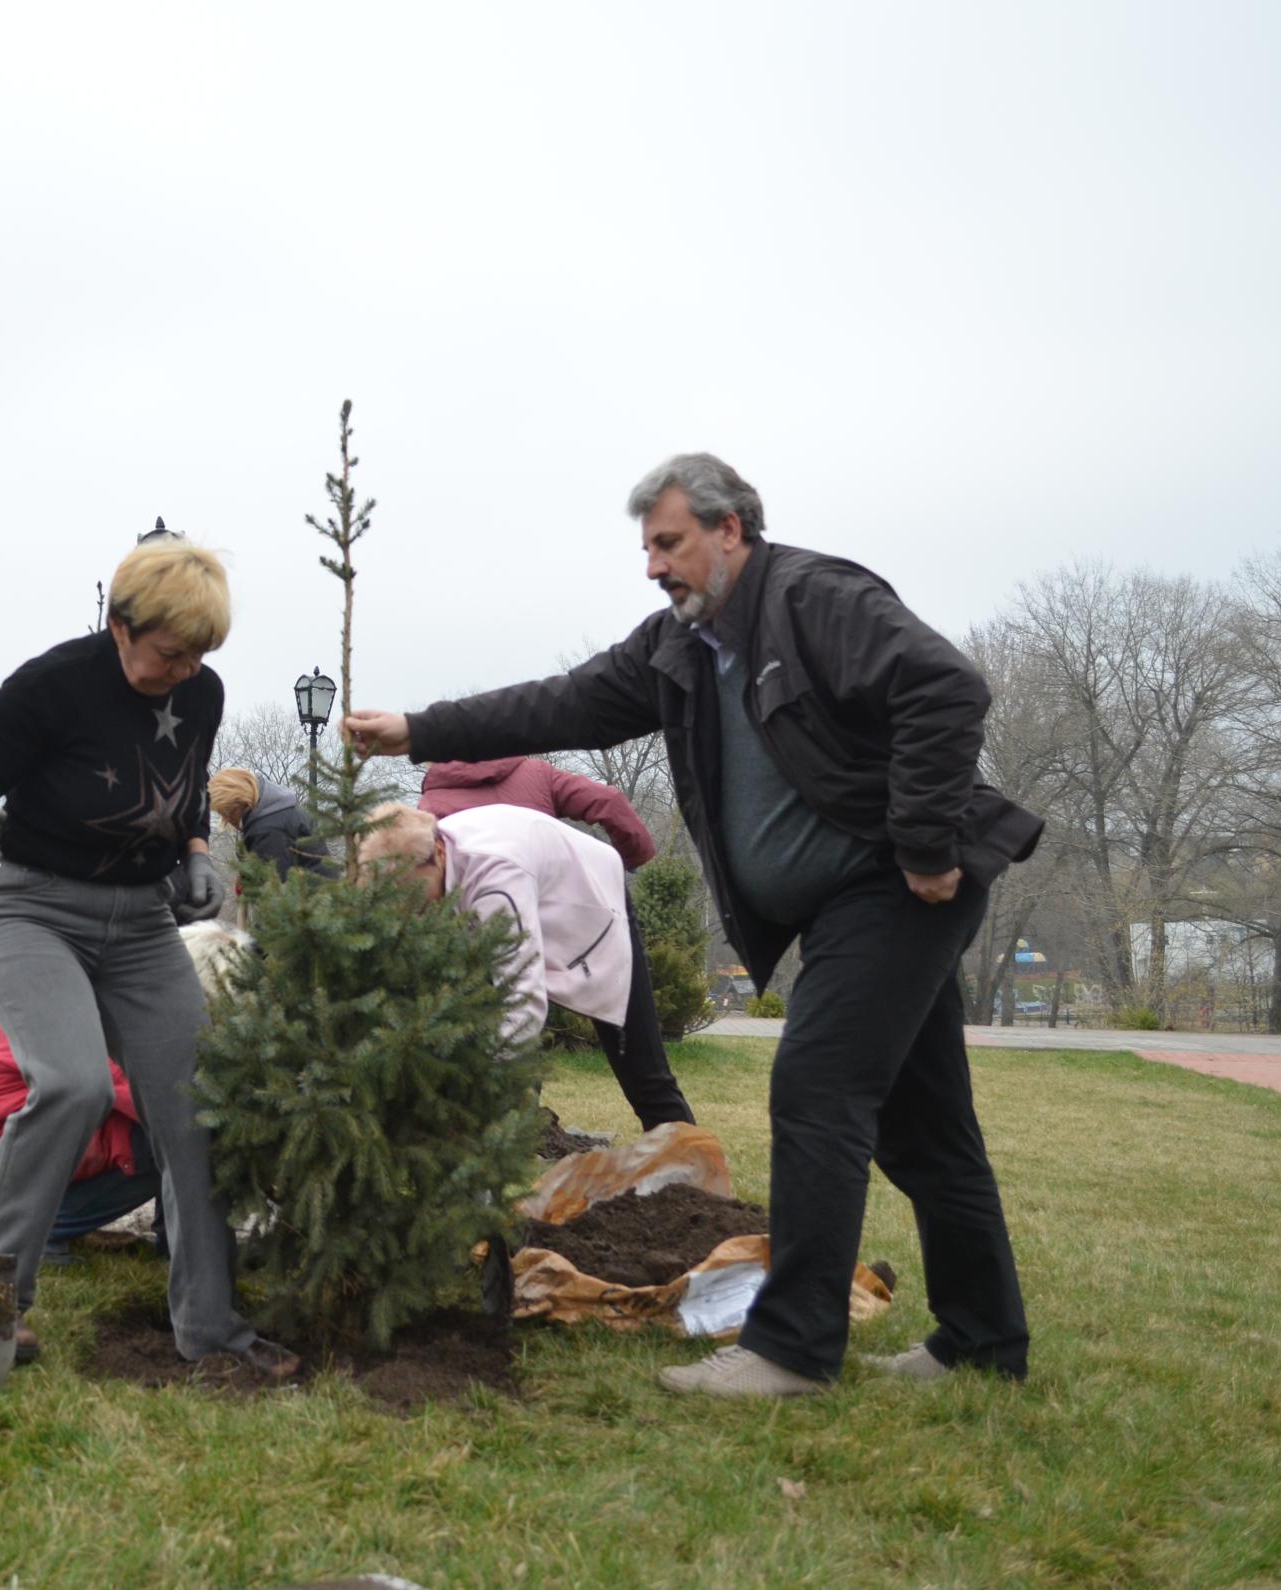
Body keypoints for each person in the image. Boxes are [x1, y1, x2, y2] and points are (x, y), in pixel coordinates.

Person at [344, 452, 1041, 1398]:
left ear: (731, 530)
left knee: (815, 1089)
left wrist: (922, 843)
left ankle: (792, 1349)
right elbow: (565, 701)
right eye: (646, 547)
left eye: (668, 543)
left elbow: (945, 688)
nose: (653, 565)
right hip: (850, 902)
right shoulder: (679, 646)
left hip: (890, 889)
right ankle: (983, 1341)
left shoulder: (816, 599)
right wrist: (419, 730)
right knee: (925, 1130)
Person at [0, 538, 297, 1381]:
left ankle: (212, 1328)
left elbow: (189, 786)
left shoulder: (201, 692)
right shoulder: (47, 687)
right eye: (170, 652)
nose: (185, 671)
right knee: (71, 1083)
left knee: (197, 1105)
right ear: (120, 625)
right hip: (32, 910)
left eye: (200, 656)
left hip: (139, 924)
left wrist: (198, 855)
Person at [355, 803, 694, 1129]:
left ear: (439, 854)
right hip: (534, 896)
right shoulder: (432, 857)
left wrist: (477, 1089)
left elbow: (523, 1001)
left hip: (595, 907)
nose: (407, 909)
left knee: (641, 1070)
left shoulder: (496, 880)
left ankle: (690, 1173)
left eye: (411, 892)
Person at [0, 1020, 161, 1265]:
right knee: (168, 1144)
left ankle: (173, 1241)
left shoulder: (61, 993)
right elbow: (142, 1095)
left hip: (12, 1125)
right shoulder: (77, 1011)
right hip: (8, 1134)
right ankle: (34, 1230)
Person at [418, 757, 657, 870]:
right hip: (559, 904)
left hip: (482, 925)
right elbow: (608, 801)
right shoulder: (536, 773)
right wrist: (629, 859)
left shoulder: (429, 808)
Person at [207, 768, 334, 879]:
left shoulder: (269, 831)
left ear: (239, 801)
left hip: (308, 902)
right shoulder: (280, 811)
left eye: (226, 812)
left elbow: (276, 888)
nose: (227, 819)